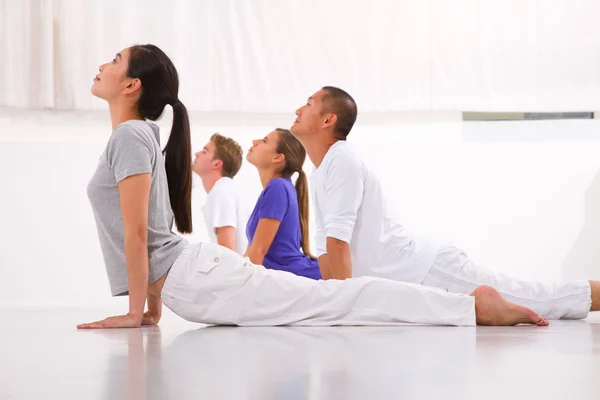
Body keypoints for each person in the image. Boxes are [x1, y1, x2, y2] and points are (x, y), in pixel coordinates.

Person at [77, 44, 549, 330]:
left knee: (338, 302)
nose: (103, 64)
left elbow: (140, 234)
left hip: (195, 277)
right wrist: (151, 310)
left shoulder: (130, 135)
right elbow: (149, 231)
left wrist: (137, 312)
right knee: (334, 301)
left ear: (132, 84)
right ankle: (467, 306)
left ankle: (471, 307)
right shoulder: (136, 137)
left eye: (114, 59)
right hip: (191, 277)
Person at [290, 86, 599, 320]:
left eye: (309, 104)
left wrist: (343, 309)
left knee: (544, 299)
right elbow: (328, 252)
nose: (298, 109)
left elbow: (339, 242)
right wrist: (334, 307)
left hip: (430, 270)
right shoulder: (320, 172)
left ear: (328, 120)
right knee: (536, 299)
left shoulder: (342, 158)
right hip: (413, 282)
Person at [245, 128, 321, 279]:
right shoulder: (278, 188)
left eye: (265, 141)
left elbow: (259, 250)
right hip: (289, 279)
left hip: (298, 278)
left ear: (278, 157)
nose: (255, 141)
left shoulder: (277, 187)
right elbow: (250, 255)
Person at [192, 133, 250, 254]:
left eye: (204, 151)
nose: (196, 154)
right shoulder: (227, 188)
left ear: (217, 164)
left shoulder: (221, 191)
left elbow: (228, 251)